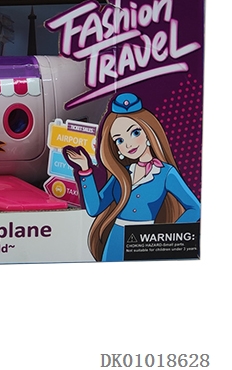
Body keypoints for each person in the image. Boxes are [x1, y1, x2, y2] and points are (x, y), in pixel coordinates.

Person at [65, 93, 200, 261]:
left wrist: (167, 234)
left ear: (148, 132)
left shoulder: (166, 173)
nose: (128, 144)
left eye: (135, 133)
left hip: (146, 243)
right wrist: (85, 170)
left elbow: (195, 208)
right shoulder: (122, 174)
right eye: (119, 140)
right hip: (116, 241)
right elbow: (95, 208)